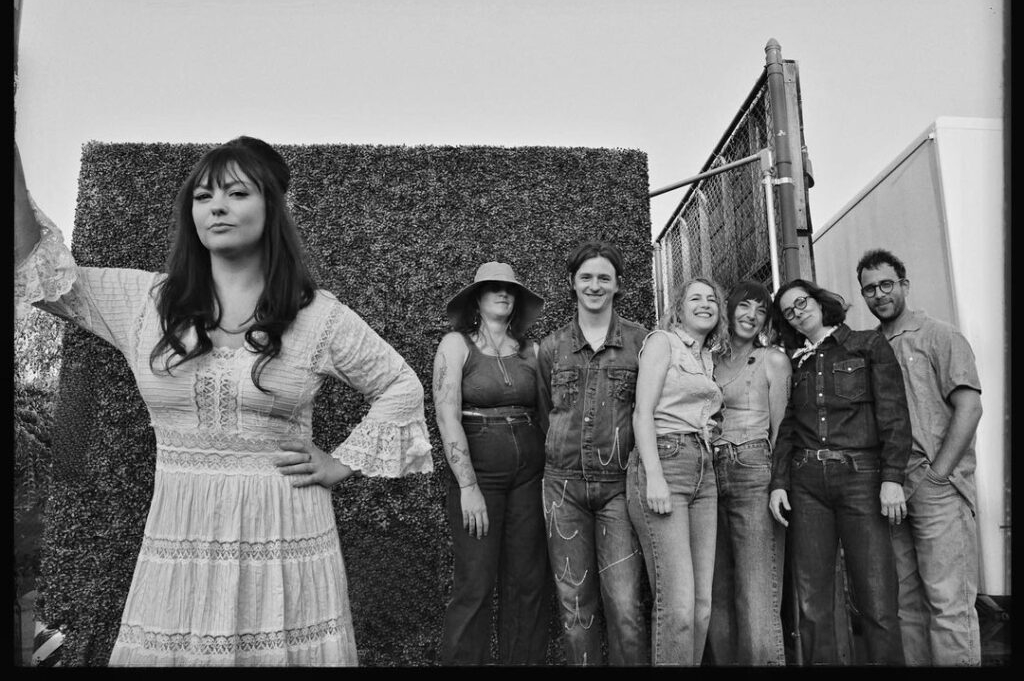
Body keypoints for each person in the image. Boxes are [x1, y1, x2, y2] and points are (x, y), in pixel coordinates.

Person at [13, 137, 433, 666]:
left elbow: (400, 385)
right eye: (203, 195)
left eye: (237, 193)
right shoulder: (145, 303)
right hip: (180, 535)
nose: (216, 206)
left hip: (285, 533)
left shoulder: (317, 316)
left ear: (274, 207)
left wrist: (341, 463)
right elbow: (35, 270)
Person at [768, 278, 911, 665]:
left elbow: (894, 415)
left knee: (877, 599)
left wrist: (892, 478)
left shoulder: (867, 345)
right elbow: (789, 427)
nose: (797, 313)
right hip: (807, 484)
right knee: (812, 602)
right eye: (788, 312)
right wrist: (779, 483)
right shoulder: (798, 360)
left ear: (819, 300)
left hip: (861, 478)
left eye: (801, 303)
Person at [856, 249, 984, 666]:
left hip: (935, 486)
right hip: (890, 487)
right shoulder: (870, 346)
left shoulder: (938, 335)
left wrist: (939, 475)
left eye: (886, 284)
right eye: (870, 289)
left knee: (949, 604)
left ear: (904, 285)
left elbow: (970, 407)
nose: (879, 294)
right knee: (906, 605)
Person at [536, 240, 648, 666]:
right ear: (573, 283)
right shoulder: (552, 348)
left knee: (625, 608)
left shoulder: (641, 343)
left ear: (618, 285)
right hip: (562, 492)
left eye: (604, 277)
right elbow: (546, 414)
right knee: (574, 612)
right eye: (587, 277)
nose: (595, 285)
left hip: (619, 491)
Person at [432, 261, 550, 665]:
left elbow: (551, 415)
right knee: (475, 582)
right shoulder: (455, 345)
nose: (503, 293)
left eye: (509, 289)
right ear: (476, 300)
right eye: (493, 288)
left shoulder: (532, 351)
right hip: (479, 476)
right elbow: (446, 414)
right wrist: (468, 487)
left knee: (528, 583)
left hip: (529, 477)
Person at [626, 276, 727, 666]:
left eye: (711, 299)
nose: (705, 304)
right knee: (678, 607)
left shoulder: (707, 357)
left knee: (702, 608)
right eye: (695, 299)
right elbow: (642, 413)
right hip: (665, 462)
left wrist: (708, 427)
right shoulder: (661, 342)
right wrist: (654, 475)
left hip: (704, 468)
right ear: (679, 309)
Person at [705, 280, 791, 666]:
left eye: (760, 310)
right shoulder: (708, 360)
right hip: (707, 470)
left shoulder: (772, 359)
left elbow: (783, 429)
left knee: (756, 588)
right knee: (715, 589)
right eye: (745, 306)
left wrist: (779, 484)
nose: (751, 316)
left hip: (754, 465)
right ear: (730, 309)